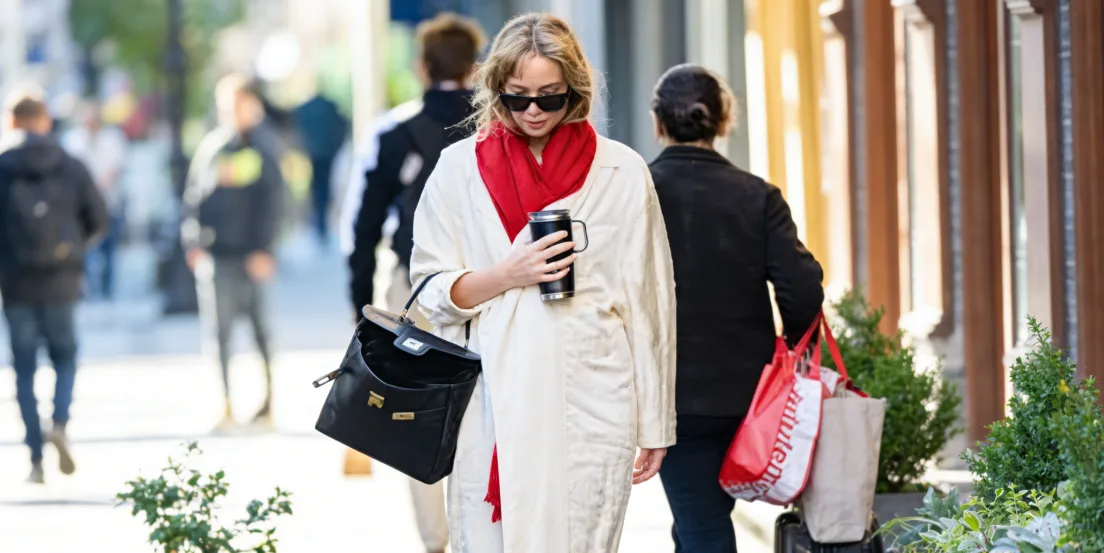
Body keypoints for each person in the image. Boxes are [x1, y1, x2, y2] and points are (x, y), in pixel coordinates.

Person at [408, 13, 677, 553]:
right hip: (490, 402)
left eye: (550, 97)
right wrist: (509, 274)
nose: (533, 110)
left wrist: (655, 422)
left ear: (573, 91)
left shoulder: (621, 172)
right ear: (496, 89)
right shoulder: (457, 170)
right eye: (517, 97)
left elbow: (650, 307)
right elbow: (430, 293)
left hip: (591, 400)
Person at [647, 64, 825, 552]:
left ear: (658, 122)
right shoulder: (758, 196)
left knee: (701, 523)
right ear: (724, 120)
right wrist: (792, 349)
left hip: (670, 393)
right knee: (698, 519)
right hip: (752, 393)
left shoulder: (638, 193)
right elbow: (803, 289)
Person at [347, 12, 485, 553]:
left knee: (418, 413)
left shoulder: (397, 133)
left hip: (415, 288)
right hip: (491, 285)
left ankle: (436, 540)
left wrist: (359, 301)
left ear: (422, 68)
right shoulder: (497, 128)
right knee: (487, 408)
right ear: (475, 68)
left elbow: (365, 225)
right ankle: (484, 531)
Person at [0, 88, 109, 483]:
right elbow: (100, 218)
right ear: (44, 120)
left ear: (12, 121)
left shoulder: (3, 165)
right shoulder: (70, 164)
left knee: (24, 370)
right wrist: (74, 250)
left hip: (17, 284)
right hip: (63, 280)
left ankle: (35, 459)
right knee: (64, 358)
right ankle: (60, 422)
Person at [182, 74, 285, 429]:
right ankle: (225, 405)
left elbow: (275, 203)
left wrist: (265, 249)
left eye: (240, 103)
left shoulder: (265, 148)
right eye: (228, 105)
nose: (233, 111)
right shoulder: (212, 148)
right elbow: (193, 197)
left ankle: (268, 404)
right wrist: (193, 242)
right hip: (218, 255)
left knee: (261, 332)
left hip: (254, 256)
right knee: (219, 334)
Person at [62, 101, 129, 300]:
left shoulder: (113, 139)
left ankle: (107, 290)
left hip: (108, 202)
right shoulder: (73, 140)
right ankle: (87, 288)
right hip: (80, 207)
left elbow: (115, 169)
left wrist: (95, 188)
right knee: (84, 249)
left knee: (109, 249)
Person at [293, 93, 349, 246]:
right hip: (323, 154)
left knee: (319, 189)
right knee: (322, 189)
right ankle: (319, 224)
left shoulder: (309, 109)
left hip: (317, 154)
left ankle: (320, 224)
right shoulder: (328, 108)